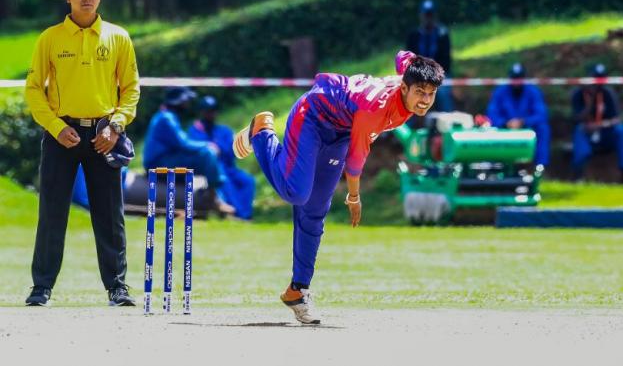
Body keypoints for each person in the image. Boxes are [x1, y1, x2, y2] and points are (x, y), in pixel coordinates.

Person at [232, 51, 444, 324]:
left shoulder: (409, 78)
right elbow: (355, 161)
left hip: (341, 130)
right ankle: (261, 133)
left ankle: (298, 291)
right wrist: (354, 197)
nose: (425, 100)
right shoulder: (375, 110)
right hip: (313, 116)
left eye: (431, 93)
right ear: (404, 87)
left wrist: (421, 64)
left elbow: (403, 57)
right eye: (419, 92)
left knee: (315, 210)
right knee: (296, 192)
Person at [24, 0, 140, 306]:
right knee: (52, 212)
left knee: (110, 214)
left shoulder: (118, 37)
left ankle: (117, 287)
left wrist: (116, 126)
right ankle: (41, 287)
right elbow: (34, 89)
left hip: (105, 133)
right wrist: (56, 127)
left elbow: (131, 89)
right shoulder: (50, 38)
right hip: (62, 133)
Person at [143, 87, 235, 215]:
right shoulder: (166, 119)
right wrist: (209, 145)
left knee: (206, 155)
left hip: (164, 159)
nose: (188, 104)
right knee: (208, 154)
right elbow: (183, 144)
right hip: (157, 164)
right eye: (186, 101)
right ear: (178, 101)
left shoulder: (167, 116)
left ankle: (213, 194)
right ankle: (213, 197)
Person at [188, 96, 256, 220]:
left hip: (229, 167)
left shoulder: (224, 131)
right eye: (207, 111)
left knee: (247, 180)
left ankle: (246, 214)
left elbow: (232, 152)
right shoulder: (195, 131)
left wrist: (218, 146)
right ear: (201, 112)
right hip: (210, 169)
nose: (210, 114)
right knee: (225, 181)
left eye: (213, 111)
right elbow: (195, 151)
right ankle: (237, 213)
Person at [571, 64, 623, 183]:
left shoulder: (607, 93)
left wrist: (602, 125)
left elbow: (617, 118)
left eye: (601, 79)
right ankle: (578, 175)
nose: (597, 83)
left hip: (605, 131)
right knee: (579, 130)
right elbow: (576, 119)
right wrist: (590, 102)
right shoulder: (578, 94)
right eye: (595, 78)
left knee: (622, 131)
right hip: (587, 131)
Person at [486, 63, 550, 167]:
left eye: (519, 78)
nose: (516, 81)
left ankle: (539, 166)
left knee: (542, 128)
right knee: (489, 129)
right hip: (505, 128)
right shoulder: (500, 92)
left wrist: (523, 122)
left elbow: (541, 114)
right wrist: (505, 123)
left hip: (527, 127)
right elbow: (492, 113)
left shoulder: (533, 91)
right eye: (514, 78)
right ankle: (495, 166)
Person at [406, 0, 453, 112]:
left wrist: (433, 76)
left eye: (430, 15)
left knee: (443, 92)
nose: (428, 18)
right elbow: (409, 59)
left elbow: (446, 62)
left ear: (435, 16)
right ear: (421, 16)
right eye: (426, 15)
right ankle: (406, 120)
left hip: (439, 75)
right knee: (407, 93)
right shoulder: (414, 35)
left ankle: (447, 118)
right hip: (417, 75)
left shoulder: (442, 34)